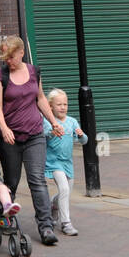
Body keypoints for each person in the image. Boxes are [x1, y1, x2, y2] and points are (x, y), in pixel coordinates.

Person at [0, 34, 64, 246]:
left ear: (21, 52)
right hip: (10, 137)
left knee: (37, 180)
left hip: (34, 134)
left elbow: (40, 98)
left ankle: (46, 226)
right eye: (4, 56)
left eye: (11, 56)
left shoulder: (33, 72)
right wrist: (3, 129)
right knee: (11, 181)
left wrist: (53, 122)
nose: (7, 60)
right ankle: (5, 217)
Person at [43, 88, 87, 236]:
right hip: (54, 162)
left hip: (68, 163)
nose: (62, 107)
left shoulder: (72, 121)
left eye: (65, 104)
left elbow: (84, 140)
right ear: (50, 106)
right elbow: (44, 134)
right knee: (64, 190)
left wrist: (81, 135)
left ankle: (53, 206)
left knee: (65, 192)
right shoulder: (48, 121)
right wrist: (51, 132)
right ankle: (66, 223)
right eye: (59, 104)